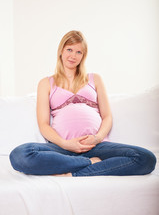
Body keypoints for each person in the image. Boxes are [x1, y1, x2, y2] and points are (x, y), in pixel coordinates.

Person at [10, 30, 156, 177]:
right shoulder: (46, 83)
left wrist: (97, 138)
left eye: (79, 52)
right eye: (69, 49)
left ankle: (72, 172)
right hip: (62, 148)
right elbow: (43, 124)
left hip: (96, 146)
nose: (73, 56)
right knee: (20, 154)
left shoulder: (95, 79)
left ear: (83, 56)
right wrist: (65, 143)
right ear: (61, 50)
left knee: (146, 158)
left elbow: (107, 117)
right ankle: (90, 163)